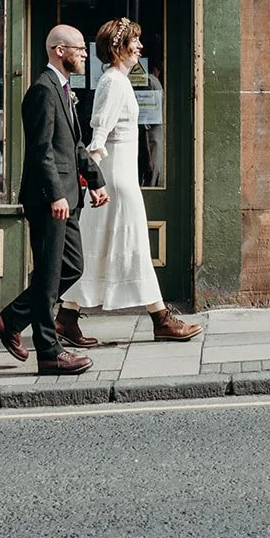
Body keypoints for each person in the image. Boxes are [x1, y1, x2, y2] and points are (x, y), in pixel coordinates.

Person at [57, 18, 201, 346]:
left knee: (100, 246)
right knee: (132, 245)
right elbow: (100, 131)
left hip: (117, 175)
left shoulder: (118, 80)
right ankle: (160, 319)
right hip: (115, 178)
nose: (140, 47)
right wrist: (94, 179)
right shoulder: (114, 82)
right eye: (134, 42)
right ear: (119, 48)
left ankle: (66, 317)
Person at [0, 24, 109, 375]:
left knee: (69, 268)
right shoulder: (43, 90)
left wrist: (95, 180)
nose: (85, 54)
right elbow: (41, 151)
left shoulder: (63, 89)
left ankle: (9, 320)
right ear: (58, 50)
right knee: (49, 273)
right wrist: (56, 193)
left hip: (69, 198)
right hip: (49, 200)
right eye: (79, 49)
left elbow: (72, 146)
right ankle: (49, 351)